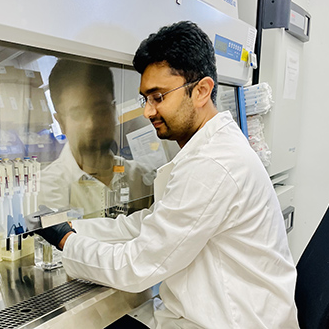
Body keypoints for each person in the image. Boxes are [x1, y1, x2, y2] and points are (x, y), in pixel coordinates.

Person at [35, 21, 299, 328]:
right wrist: (74, 228)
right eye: (145, 98)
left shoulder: (212, 165)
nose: (148, 111)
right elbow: (150, 224)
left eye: (158, 97)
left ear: (202, 90)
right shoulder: (212, 149)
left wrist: (68, 241)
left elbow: (135, 267)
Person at [37, 59, 153, 217]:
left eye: (101, 110)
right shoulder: (46, 189)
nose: (91, 124)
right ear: (61, 122)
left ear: (113, 111)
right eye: (78, 113)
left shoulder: (141, 178)